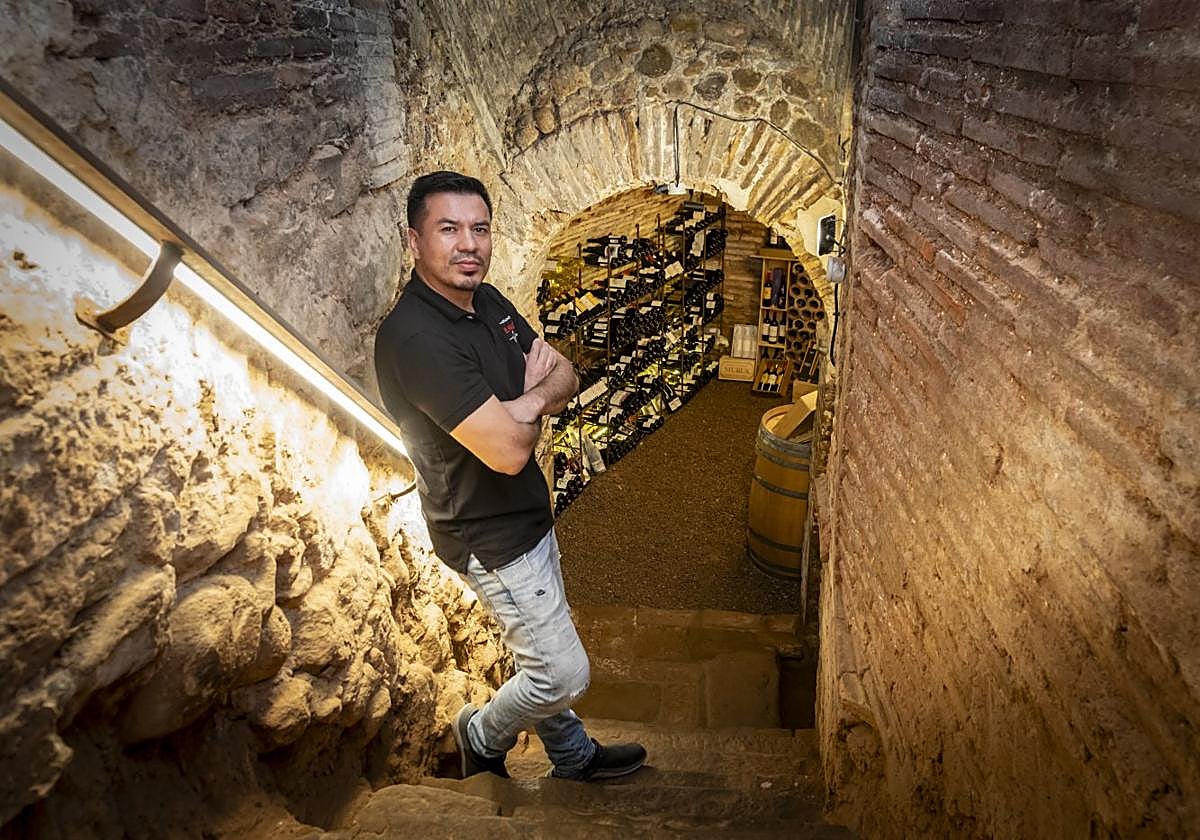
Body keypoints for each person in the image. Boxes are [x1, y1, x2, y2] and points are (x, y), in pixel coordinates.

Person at [373, 171, 647, 782]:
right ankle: (481, 732)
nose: (467, 244)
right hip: (488, 536)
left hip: (526, 514)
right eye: (448, 229)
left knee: (539, 649)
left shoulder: (488, 302)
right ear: (414, 241)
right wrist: (529, 401)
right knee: (562, 672)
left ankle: (572, 756)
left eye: (479, 228)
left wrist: (522, 403)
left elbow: (567, 374)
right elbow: (508, 453)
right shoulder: (415, 338)